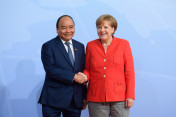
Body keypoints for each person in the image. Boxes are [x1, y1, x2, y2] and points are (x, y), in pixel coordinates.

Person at [83, 14, 135, 117]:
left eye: (105, 27)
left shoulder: (123, 44)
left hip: (120, 98)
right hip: (96, 97)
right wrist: (84, 76)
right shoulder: (90, 45)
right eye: (99, 27)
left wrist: (130, 95)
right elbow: (87, 69)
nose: (102, 30)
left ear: (113, 29)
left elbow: (129, 71)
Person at [38, 15, 88, 117]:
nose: (68, 31)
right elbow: (50, 69)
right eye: (64, 28)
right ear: (57, 29)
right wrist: (73, 76)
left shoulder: (80, 46)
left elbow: (81, 71)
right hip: (53, 99)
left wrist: (83, 96)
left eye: (71, 27)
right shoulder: (48, 46)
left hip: (74, 100)